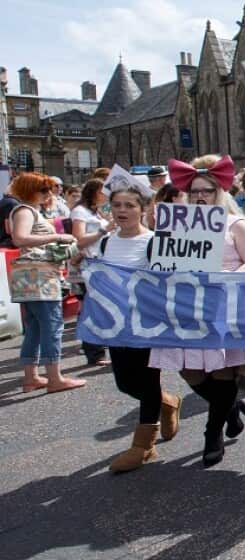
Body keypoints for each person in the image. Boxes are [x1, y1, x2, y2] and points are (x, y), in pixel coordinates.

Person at [150, 155, 245, 467]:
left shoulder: (235, 223)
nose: (201, 196)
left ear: (220, 193)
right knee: (189, 370)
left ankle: (213, 433)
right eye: (196, 190)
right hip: (185, 308)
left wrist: (231, 278)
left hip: (221, 306)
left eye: (208, 191)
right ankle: (229, 407)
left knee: (222, 369)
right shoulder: (174, 223)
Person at [90, 179, 183, 472]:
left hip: (146, 323)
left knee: (145, 380)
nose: (121, 210)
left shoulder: (155, 241)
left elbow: (166, 282)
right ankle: (168, 403)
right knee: (125, 382)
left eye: (129, 205)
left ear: (143, 209)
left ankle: (144, 446)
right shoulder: (106, 241)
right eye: (116, 205)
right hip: (117, 323)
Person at [11, 173, 83, 394]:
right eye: (44, 190)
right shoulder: (25, 210)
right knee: (52, 326)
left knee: (34, 327)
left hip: (31, 277)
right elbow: (20, 238)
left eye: (49, 189)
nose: (49, 194)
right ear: (29, 190)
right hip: (39, 276)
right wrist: (56, 238)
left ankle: (32, 377)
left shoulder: (28, 210)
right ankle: (54, 377)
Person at [69, 179, 113, 365]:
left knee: (99, 306)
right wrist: (103, 230)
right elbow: (78, 239)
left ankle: (98, 347)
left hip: (99, 264)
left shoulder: (96, 211)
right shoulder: (80, 212)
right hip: (87, 265)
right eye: (103, 192)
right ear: (94, 192)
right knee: (91, 308)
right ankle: (93, 351)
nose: (106, 196)